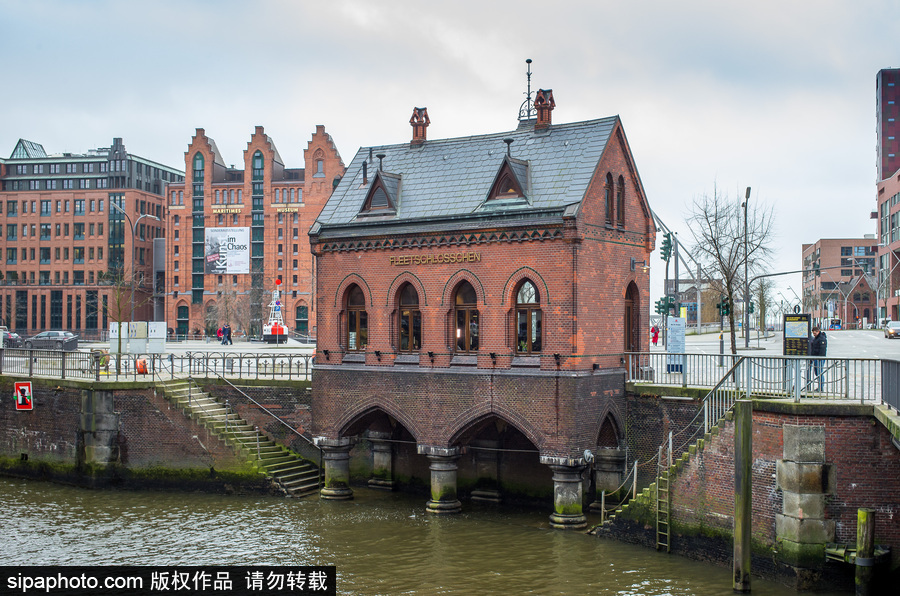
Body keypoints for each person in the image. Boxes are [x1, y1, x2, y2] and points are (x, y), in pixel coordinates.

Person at [808, 325, 827, 392]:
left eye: (815, 333)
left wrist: (819, 357)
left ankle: (821, 387)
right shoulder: (816, 338)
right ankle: (820, 387)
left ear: (818, 331)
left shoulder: (821, 339)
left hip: (819, 358)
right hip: (816, 358)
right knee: (817, 373)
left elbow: (822, 350)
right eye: (813, 333)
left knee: (819, 373)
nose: (814, 334)